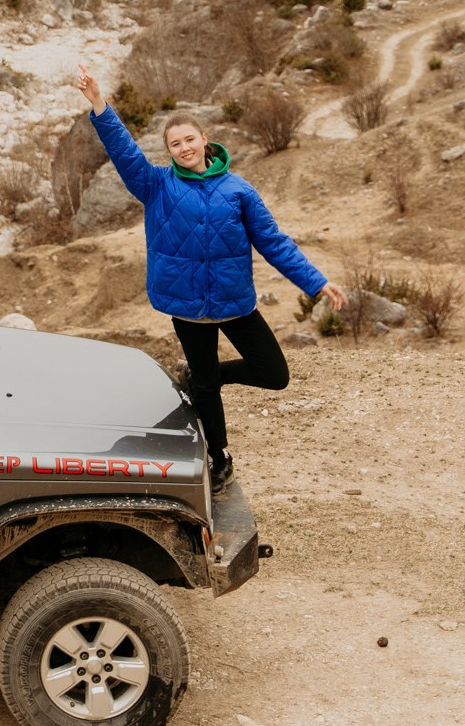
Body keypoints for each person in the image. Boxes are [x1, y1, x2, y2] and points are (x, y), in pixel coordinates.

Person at [72, 63, 345, 493]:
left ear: (205, 140)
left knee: (273, 373)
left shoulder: (238, 190)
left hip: (233, 302)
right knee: (206, 392)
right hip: (186, 307)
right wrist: (99, 104)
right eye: (174, 144)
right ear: (170, 150)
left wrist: (316, 281)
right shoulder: (156, 185)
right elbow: (124, 152)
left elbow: (273, 242)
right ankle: (219, 458)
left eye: (189, 140)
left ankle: (204, 377)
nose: (183, 148)